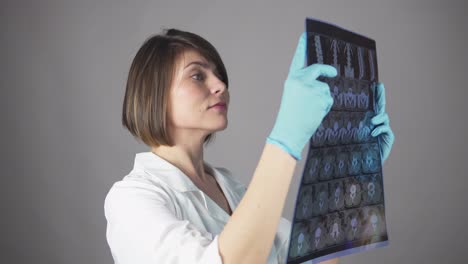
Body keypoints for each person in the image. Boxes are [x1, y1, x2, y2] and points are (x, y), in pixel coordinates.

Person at [104, 28, 394, 264]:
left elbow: (314, 261)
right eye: (197, 75)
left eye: (219, 75)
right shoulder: (132, 200)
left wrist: (352, 176)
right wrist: (286, 136)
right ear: (154, 95)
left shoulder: (232, 189)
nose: (220, 85)